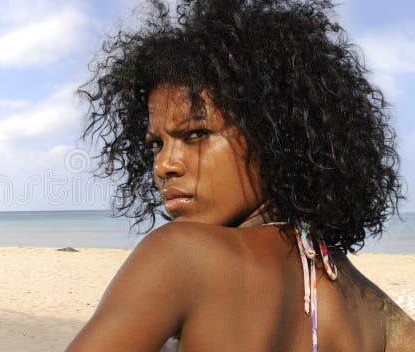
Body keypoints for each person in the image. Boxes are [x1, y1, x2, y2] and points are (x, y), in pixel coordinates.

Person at [67, 0, 415, 350]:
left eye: (195, 135)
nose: (163, 166)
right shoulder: (367, 301)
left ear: (274, 135)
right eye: (157, 144)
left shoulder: (180, 255)